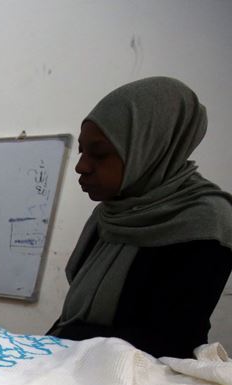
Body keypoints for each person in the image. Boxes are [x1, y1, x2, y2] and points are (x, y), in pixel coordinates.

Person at [47, 76, 232, 358]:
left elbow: (166, 338)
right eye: (82, 151)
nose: (81, 166)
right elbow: (73, 321)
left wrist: (54, 349)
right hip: (81, 363)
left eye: (99, 154)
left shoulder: (206, 221)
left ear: (152, 148)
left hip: (149, 379)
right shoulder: (111, 212)